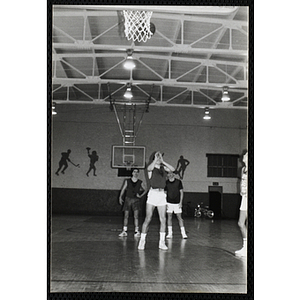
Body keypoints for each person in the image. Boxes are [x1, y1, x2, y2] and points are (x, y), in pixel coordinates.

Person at [138, 151, 175, 250]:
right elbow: (149, 168)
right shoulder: (151, 168)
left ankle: (162, 242)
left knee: (163, 219)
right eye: (157, 157)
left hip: (162, 195)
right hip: (153, 194)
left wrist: (163, 161)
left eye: (160, 158)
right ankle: (142, 241)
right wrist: (155, 158)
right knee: (148, 218)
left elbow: (173, 169)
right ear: (154, 158)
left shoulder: (163, 169)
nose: (159, 159)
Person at [118, 168, 147, 237]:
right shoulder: (127, 181)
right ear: (132, 173)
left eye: (137, 172)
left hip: (136, 200)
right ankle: (124, 231)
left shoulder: (140, 182)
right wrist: (120, 197)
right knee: (126, 215)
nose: (136, 173)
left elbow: (146, 189)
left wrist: (140, 195)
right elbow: (123, 189)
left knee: (136, 216)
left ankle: (137, 231)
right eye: (134, 172)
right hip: (128, 199)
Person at [165, 172, 188, 239]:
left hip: (177, 203)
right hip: (169, 202)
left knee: (179, 217)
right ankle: (170, 233)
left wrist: (181, 202)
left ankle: (183, 234)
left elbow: (181, 192)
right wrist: (165, 202)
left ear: (174, 175)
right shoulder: (166, 182)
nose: (170, 175)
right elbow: (165, 192)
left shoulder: (178, 182)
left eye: (171, 174)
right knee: (169, 217)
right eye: (168, 174)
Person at [235, 151, 248, 257]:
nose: (244, 156)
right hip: (244, 197)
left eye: (246, 154)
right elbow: (241, 181)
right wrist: (241, 190)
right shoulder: (243, 169)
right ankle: (245, 246)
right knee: (240, 223)